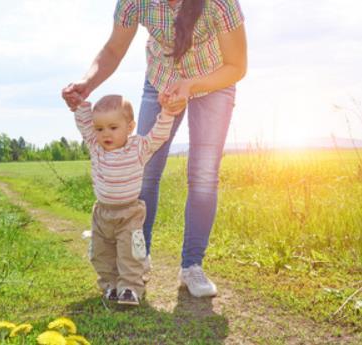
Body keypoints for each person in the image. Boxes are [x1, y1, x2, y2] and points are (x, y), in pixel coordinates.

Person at [62, 0, 247, 298]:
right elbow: (112, 50)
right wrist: (87, 82)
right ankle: (138, 259)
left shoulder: (218, 3)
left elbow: (237, 66)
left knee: (202, 175)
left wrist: (190, 85)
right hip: (160, 80)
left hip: (213, 81)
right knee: (146, 170)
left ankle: (192, 266)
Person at [74, 94, 185, 305]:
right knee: (101, 253)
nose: (105, 133)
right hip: (102, 213)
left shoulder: (138, 148)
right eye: (100, 129)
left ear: (130, 126)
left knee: (130, 253)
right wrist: (80, 103)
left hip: (130, 212)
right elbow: (84, 126)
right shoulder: (96, 148)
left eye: (113, 127)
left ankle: (130, 288)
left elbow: (159, 136)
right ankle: (110, 286)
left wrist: (167, 113)